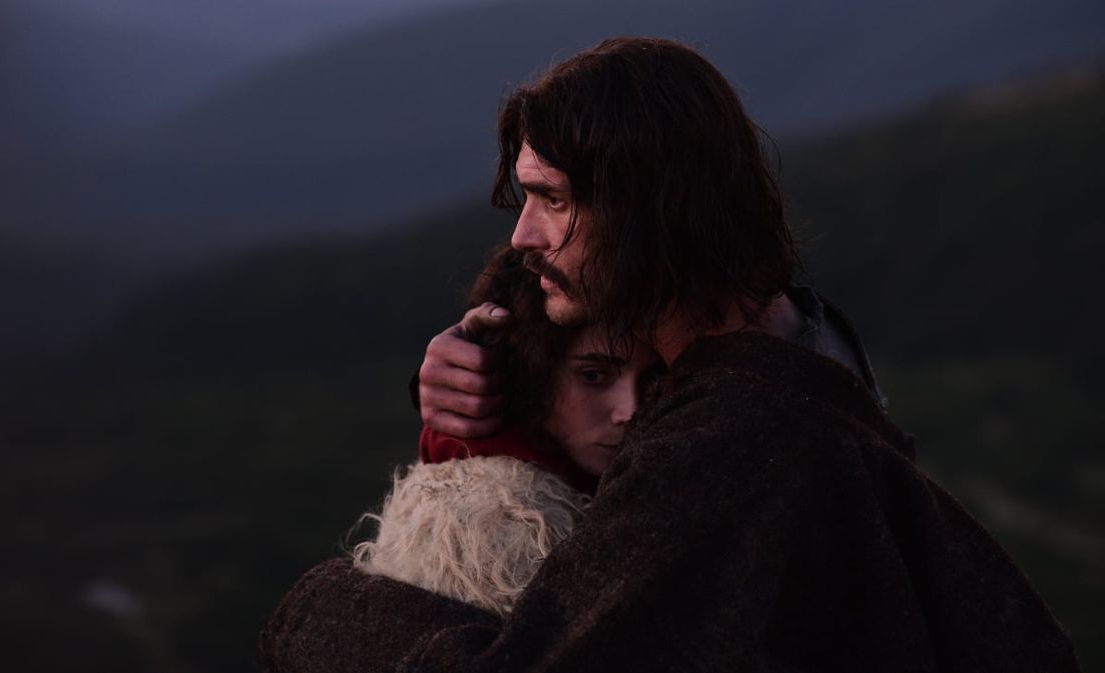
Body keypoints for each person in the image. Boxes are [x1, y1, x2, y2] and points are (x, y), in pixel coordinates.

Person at [260, 37, 1080, 672]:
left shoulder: (730, 441)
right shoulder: (792, 367)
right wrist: (485, 392)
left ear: (649, 211)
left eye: (552, 199)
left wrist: (317, 607)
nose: (522, 236)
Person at [349, 245, 659, 616]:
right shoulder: (496, 533)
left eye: (651, 379)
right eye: (593, 376)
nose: (630, 410)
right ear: (530, 372)